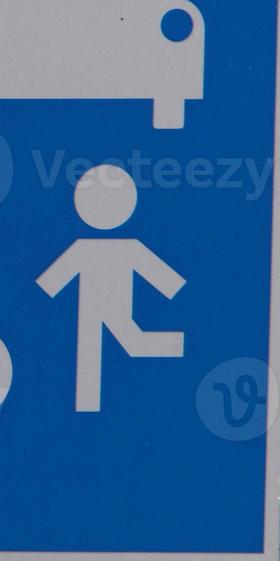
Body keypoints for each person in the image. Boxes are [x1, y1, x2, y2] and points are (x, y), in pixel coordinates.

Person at [37, 164, 185, 412]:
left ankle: (88, 402)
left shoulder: (107, 249)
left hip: (103, 314)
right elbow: (169, 283)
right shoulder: (101, 249)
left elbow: (49, 285)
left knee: (114, 345)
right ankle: (88, 402)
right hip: (94, 314)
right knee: (106, 347)